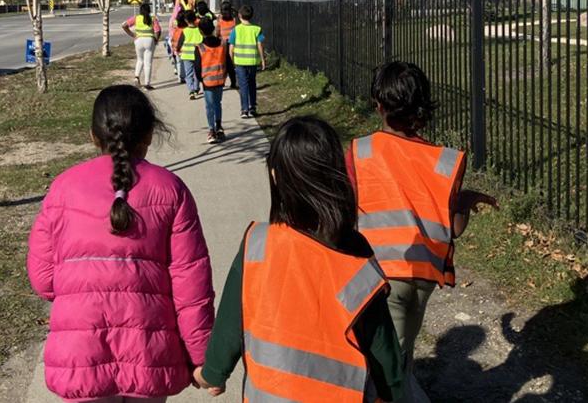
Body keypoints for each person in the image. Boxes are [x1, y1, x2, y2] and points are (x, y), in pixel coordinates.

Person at [193, 116, 405, 402]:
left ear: (275, 176)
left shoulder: (257, 244)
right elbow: (381, 345)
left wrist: (213, 373)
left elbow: (231, 323)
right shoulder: (355, 252)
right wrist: (392, 393)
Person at [27, 85, 216, 402]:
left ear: (93, 135)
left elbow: (44, 280)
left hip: (80, 354)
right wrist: (201, 357)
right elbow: (191, 285)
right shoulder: (171, 190)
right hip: (149, 352)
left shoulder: (63, 188)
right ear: (149, 137)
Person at [346, 61, 498, 403]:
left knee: (383, 365)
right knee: (402, 348)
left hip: (380, 277)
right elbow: (454, 228)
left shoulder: (361, 151)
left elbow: (345, 213)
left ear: (378, 104)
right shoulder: (442, 161)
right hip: (423, 277)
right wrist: (466, 199)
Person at [194, 18, 227, 144]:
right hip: (220, 78)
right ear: (213, 29)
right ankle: (219, 127)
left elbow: (197, 66)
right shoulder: (223, 43)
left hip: (207, 81)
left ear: (200, 31)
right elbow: (228, 61)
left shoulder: (200, 47)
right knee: (218, 103)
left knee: (209, 106)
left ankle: (211, 130)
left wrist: (200, 79)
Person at [229, 5, 265, 119]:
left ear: (239, 16)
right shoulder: (256, 29)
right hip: (253, 61)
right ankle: (253, 107)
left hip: (239, 62)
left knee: (243, 85)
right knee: (252, 83)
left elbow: (231, 48)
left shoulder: (236, 30)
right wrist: (262, 59)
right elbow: (260, 45)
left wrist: (232, 60)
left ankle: (244, 109)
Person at [121, 3, 161, 90]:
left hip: (138, 40)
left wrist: (132, 34)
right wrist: (156, 40)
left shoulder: (136, 18)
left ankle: (136, 77)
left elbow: (124, 26)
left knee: (140, 60)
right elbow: (158, 30)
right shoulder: (153, 18)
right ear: (149, 10)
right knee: (148, 63)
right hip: (149, 41)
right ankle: (147, 83)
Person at [176, 10, 202, 100]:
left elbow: (180, 42)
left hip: (186, 56)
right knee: (197, 73)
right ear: (195, 18)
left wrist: (178, 50)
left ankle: (191, 90)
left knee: (189, 74)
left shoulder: (185, 31)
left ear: (186, 20)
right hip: (198, 56)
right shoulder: (199, 29)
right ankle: (196, 88)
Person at [216, 1, 237, 89]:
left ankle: (223, 81)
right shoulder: (233, 20)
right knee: (230, 65)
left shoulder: (220, 21)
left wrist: (218, 38)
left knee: (223, 64)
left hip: (223, 44)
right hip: (232, 44)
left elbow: (217, 32)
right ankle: (233, 82)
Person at [170, 10, 188, 83]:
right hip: (185, 49)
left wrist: (173, 48)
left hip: (177, 49)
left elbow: (173, 39)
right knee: (185, 63)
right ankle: (185, 76)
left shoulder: (176, 30)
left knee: (179, 62)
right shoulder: (186, 30)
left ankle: (180, 77)